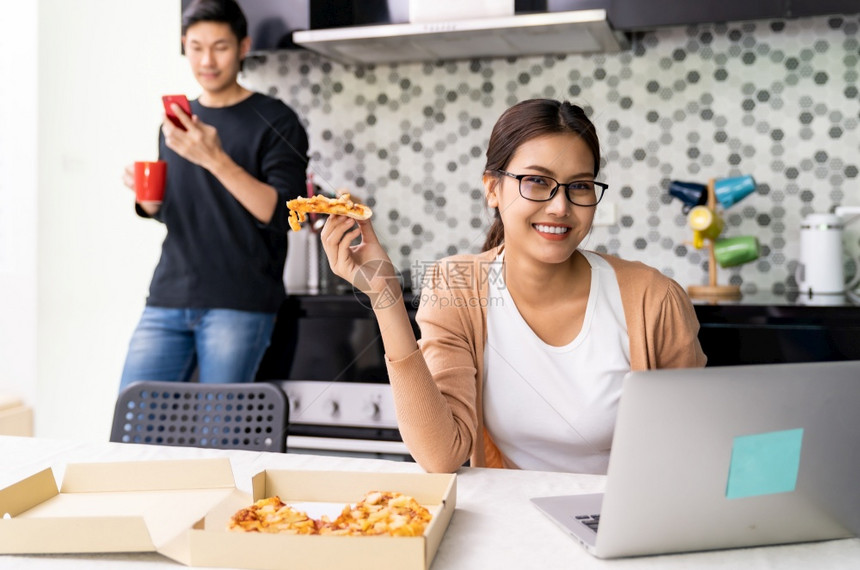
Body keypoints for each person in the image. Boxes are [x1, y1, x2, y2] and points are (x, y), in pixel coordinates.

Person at [321, 98, 706, 474]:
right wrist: (384, 297)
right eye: (537, 181)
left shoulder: (653, 298)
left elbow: (693, 450)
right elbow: (440, 457)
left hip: (626, 526)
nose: (560, 206)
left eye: (580, 185)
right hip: (513, 524)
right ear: (492, 188)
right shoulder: (457, 286)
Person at [119, 0, 309, 390]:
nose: (207, 60)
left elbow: (284, 214)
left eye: (220, 47)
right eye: (196, 47)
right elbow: (182, 208)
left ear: (242, 47)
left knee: (220, 433)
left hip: (240, 302)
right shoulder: (178, 120)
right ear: (184, 46)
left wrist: (216, 159)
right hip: (168, 296)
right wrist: (148, 202)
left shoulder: (276, 119)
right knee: (132, 425)